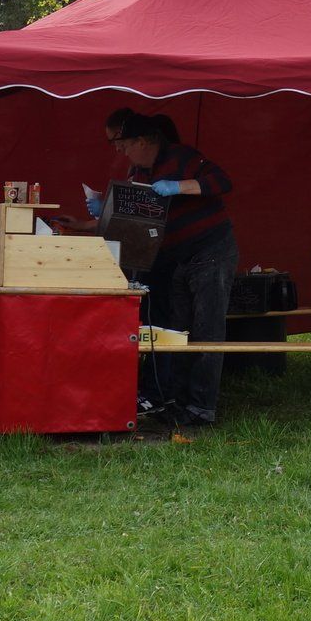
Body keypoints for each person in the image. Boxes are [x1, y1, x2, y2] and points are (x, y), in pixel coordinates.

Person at [115, 112, 236, 427]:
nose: (123, 152)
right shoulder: (138, 173)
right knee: (178, 332)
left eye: (126, 145)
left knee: (207, 329)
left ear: (143, 142)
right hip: (177, 257)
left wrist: (178, 186)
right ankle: (178, 402)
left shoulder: (184, 157)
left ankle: (202, 407)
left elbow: (222, 181)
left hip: (211, 250)